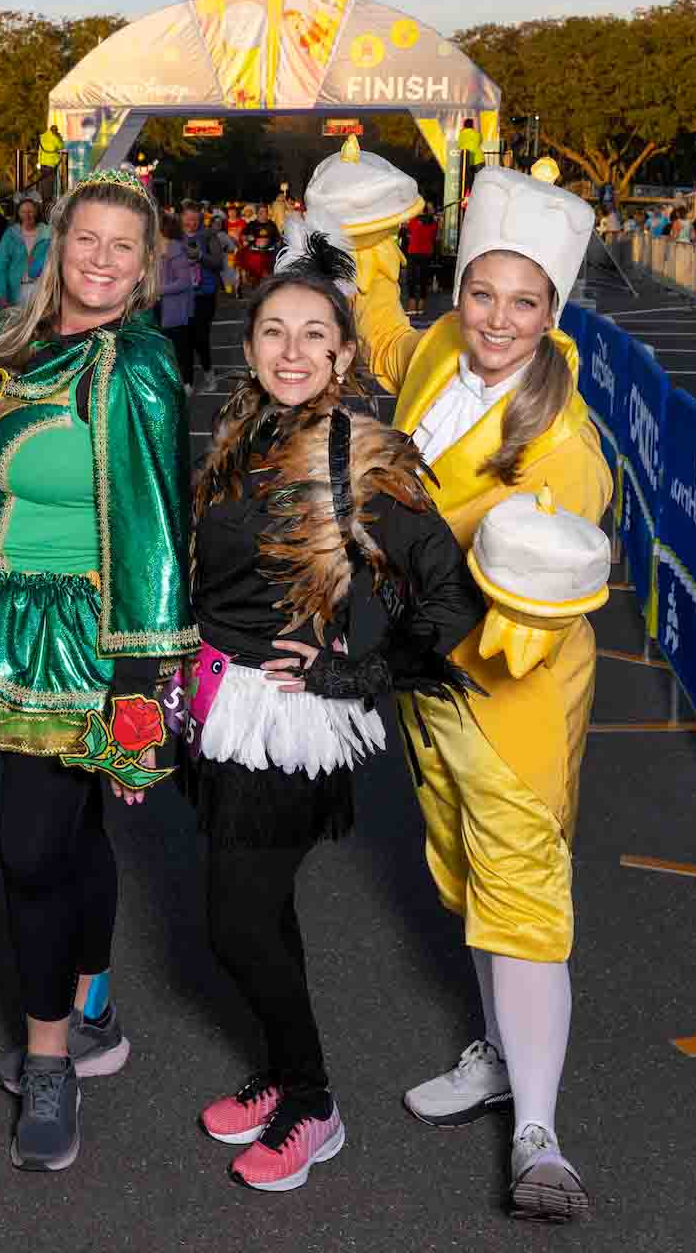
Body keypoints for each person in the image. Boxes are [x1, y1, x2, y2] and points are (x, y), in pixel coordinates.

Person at [340, 151, 611, 1222]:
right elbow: (391, 338)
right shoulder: (445, 346)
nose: (496, 319)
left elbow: (551, 591)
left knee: (522, 895)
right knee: (464, 873)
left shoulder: (563, 446)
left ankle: (541, 1137)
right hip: (429, 679)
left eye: (523, 302)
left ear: (552, 312)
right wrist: (367, 246)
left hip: (511, 700)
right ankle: (499, 1056)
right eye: (482, 292)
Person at [187, 223, 483, 1193]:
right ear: (249, 344)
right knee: (260, 912)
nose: (293, 351)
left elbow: (449, 594)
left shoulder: (358, 453)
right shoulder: (239, 432)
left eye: (315, 335)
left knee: (234, 922)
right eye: (275, 331)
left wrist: (358, 674)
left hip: (288, 722)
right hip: (217, 706)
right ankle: (282, 1073)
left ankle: (313, 1104)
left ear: (345, 354)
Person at [0, 167, 195, 1173]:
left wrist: (141, 681)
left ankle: (50, 1061)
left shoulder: (136, 364)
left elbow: (154, 527)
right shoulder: (17, 341)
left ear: (147, 265)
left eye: (124, 247)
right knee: (73, 830)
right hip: (0, 624)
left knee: (28, 852)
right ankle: (92, 1009)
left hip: (82, 638)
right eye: (87, 238)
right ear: (56, 245)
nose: (101, 259)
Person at [184, 200, 228, 391]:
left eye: (195, 220)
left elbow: (219, 263)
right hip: (181, 294)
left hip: (204, 293)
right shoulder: (175, 237)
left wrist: (200, 256)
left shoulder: (209, 236)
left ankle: (209, 374)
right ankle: (187, 382)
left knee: (200, 336)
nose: (191, 223)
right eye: (187, 219)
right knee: (184, 338)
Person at [159, 209, 200, 389]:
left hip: (175, 309)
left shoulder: (174, 248)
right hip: (161, 307)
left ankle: (185, 384)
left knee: (180, 348)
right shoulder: (155, 247)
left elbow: (184, 282)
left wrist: (157, 290)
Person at [0, 194, 50, 314]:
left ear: (36, 212)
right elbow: (0, 265)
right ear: (18, 213)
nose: (27, 215)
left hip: (41, 290)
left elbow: (54, 260)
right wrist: (2, 293)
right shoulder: (11, 234)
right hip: (16, 291)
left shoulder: (48, 233)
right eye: (23, 212)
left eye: (30, 211)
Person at [402, 207, 439, 313]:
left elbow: (407, 231)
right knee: (423, 278)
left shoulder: (413, 220)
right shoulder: (433, 223)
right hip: (426, 253)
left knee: (411, 279)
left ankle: (412, 305)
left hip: (414, 252)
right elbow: (434, 237)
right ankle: (421, 305)